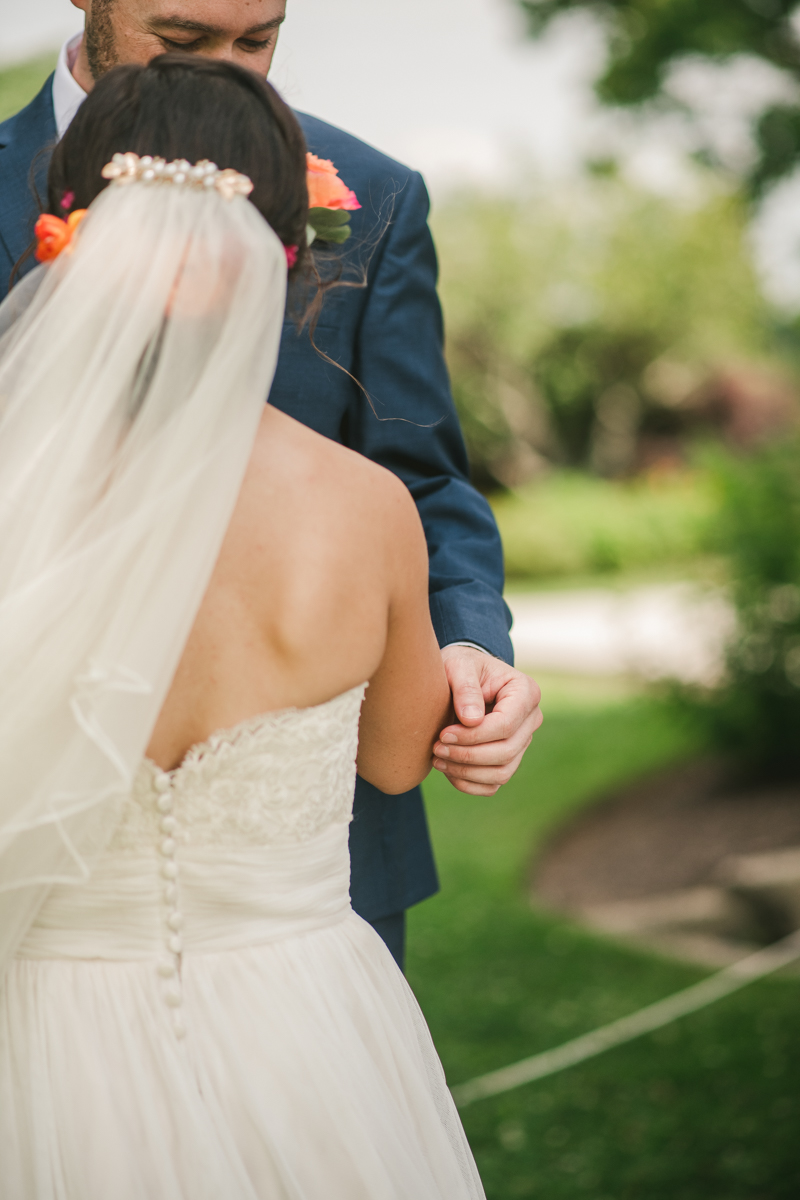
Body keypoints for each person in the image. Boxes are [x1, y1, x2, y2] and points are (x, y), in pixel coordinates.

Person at [0, 54, 486, 1198]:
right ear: (289, 253)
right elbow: (392, 755)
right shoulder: (366, 510)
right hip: (303, 1018)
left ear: (62, 230)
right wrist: (466, 669)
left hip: (50, 1031)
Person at [0, 0, 543, 970]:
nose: (232, 70)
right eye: (183, 38)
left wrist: (466, 647)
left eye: (259, 39)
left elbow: (421, 477)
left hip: (298, 865)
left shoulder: (372, 197)